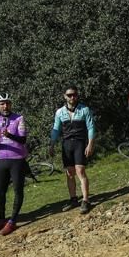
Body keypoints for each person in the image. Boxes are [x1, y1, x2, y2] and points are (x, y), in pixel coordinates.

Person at [49, 86, 97, 214]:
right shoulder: (59, 112)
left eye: (74, 95)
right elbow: (56, 129)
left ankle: (86, 200)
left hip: (80, 143)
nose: (72, 97)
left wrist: (90, 144)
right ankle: (73, 199)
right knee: (69, 173)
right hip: (66, 145)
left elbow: (91, 127)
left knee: (80, 170)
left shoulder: (84, 109)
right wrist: (52, 144)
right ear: (65, 96)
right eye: (69, 95)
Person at [0, 92, 30, 236]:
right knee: (0, 191)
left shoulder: (19, 118)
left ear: (10, 104)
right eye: (2, 104)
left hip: (17, 159)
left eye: (7, 103)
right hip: (2, 160)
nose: (5, 106)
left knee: (18, 190)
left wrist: (9, 135)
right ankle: (2, 220)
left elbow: (23, 139)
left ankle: (12, 221)